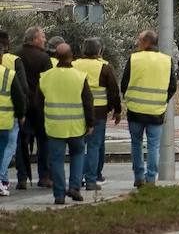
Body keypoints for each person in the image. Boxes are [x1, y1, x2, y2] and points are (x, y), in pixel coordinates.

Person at [36, 43, 93, 205]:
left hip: (54, 126)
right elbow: (88, 102)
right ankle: (75, 186)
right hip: (76, 126)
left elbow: (38, 103)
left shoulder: (46, 77)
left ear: (56, 57)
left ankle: (59, 195)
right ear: (71, 56)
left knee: (56, 160)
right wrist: (90, 123)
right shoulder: (80, 76)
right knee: (77, 155)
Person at [122, 30, 175, 187]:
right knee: (154, 146)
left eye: (139, 40)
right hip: (156, 111)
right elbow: (172, 86)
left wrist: (129, 98)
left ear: (146, 42)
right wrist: (162, 100)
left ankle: (138, 176)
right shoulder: (167, 61)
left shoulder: (134, 59)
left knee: (136, 144)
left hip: (135, 110)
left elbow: (124, 83)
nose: (138, 43)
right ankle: (151, 178)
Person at [73, 38, 121, 192]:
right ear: (100, 51)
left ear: (83, 50)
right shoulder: (105, 67)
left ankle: (77, 178)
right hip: (98, 112)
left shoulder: (74, 64)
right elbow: (113, 90)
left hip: (77, 110)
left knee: (79, 146)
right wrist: (117, 109)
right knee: (94, 146)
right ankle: (91, 179)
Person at [17, 25, 49, 189]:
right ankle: (44, 176)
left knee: (22, 141)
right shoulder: (44, 58)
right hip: (39, 106)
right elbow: (48, 83)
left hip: (21, 105)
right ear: (35, 39)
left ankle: (22, 178)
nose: (45, 40)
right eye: (42, 37)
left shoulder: (16, 55)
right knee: (44, 141)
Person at [0, 32, 27, 197]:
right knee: (6, 149)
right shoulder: (10, 71)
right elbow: (20, 93)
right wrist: (21, 114)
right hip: (6, 119)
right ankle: (2, 178)